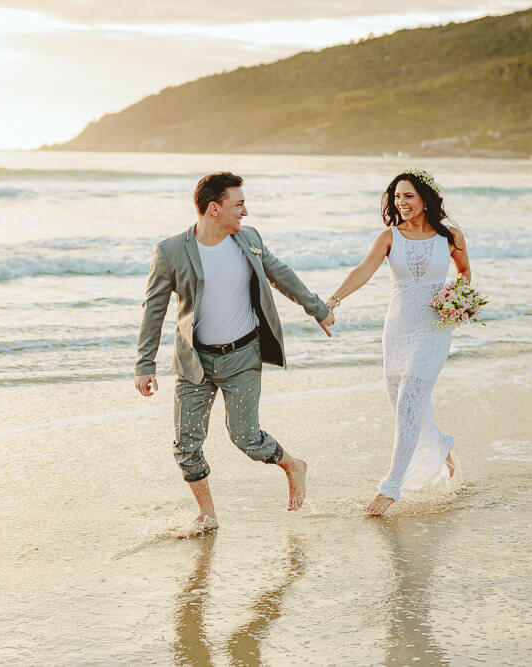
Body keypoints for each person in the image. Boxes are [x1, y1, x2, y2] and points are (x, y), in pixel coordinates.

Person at [134, 172, 335, 531]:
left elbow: (281, 274)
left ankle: (292, 464)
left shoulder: (249, 239)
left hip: (242, 357)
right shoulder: (171, 251)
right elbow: (154, 308)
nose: (245, 210)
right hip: (195, 362)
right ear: (214, 208)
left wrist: (317, 308)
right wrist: (144, 364)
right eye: (238, 203)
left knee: (246, 437)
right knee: (185, 444)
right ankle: (208, 515)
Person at [326, 169, 471, 516]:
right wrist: (332, 300)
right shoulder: (389, 237)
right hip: (398, 330)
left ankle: (389, 490)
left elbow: (464, 272)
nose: (401, 203)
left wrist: (457, 299)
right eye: (397, 197)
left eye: (408, 196)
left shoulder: (450, 235)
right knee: (403, 405)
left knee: (410, 401)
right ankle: (441, 447)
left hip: (434, 327)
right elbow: (363, 270)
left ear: (425, 199)